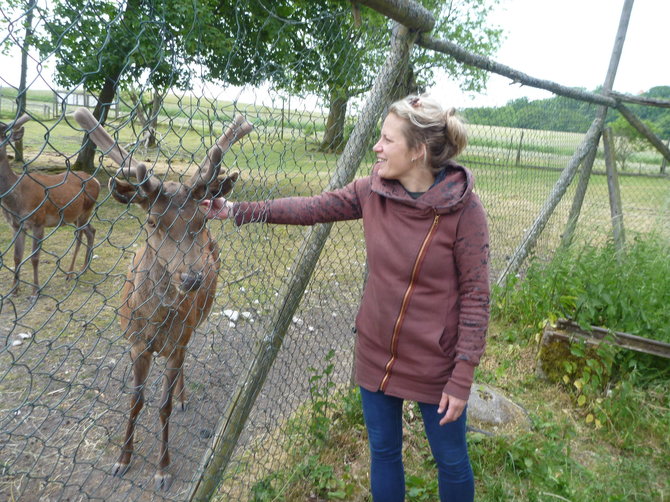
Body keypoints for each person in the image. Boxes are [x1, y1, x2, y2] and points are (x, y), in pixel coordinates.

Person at [202, 94, 490, 502]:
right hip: (375, 350)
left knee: (451, 459)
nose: (377, 147)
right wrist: (236, 209)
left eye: (388, 140)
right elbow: (312, 208)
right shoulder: (371, 191)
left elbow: (478, 298)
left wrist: (462, 377)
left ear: (417, 151)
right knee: (384, 452)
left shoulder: (464, 210)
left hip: (435, 361)